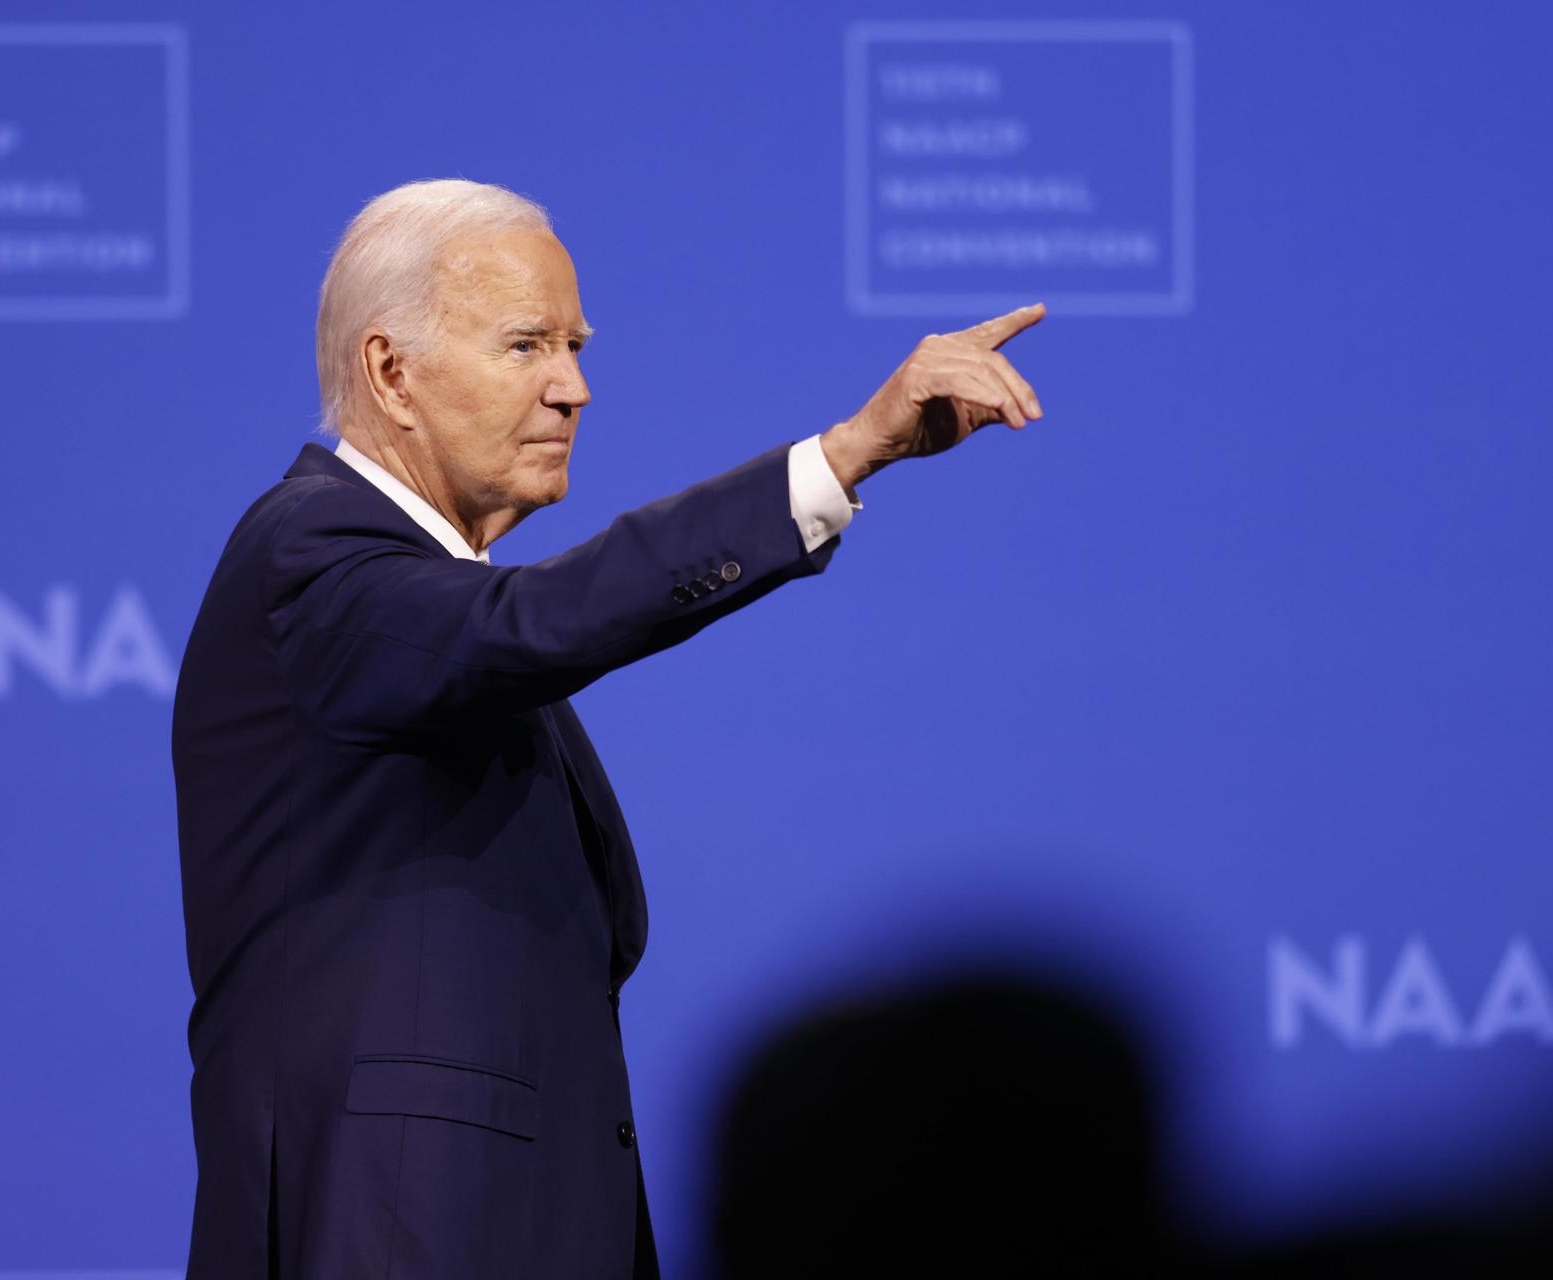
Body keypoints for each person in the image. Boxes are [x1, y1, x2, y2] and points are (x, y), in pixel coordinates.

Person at [171, 177, 1044, 1279]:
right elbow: (540, 620)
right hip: (394, 1231)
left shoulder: (429, 605)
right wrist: (845, 454)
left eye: (575, 345)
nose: (574, 388)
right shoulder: (311, 558)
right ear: (390, 372)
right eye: (526, 346)